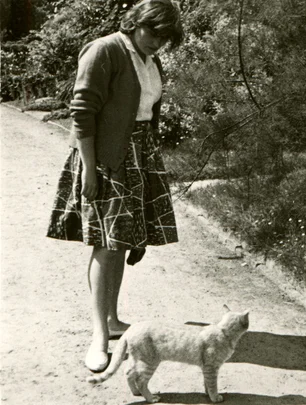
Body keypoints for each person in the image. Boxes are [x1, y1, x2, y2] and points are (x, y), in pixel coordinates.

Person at [46, 0, 184, 372]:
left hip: (138, 156)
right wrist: (90, 169)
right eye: (153, 32)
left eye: (164, 37)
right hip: (105, 159)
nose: (158, 42)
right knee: (104, 246)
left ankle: (111, 319)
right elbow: (82, 110)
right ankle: (97, 335)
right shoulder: (105, 49)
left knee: (120, 243)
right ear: (136, 22)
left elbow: (147, 112)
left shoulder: (149, 60)